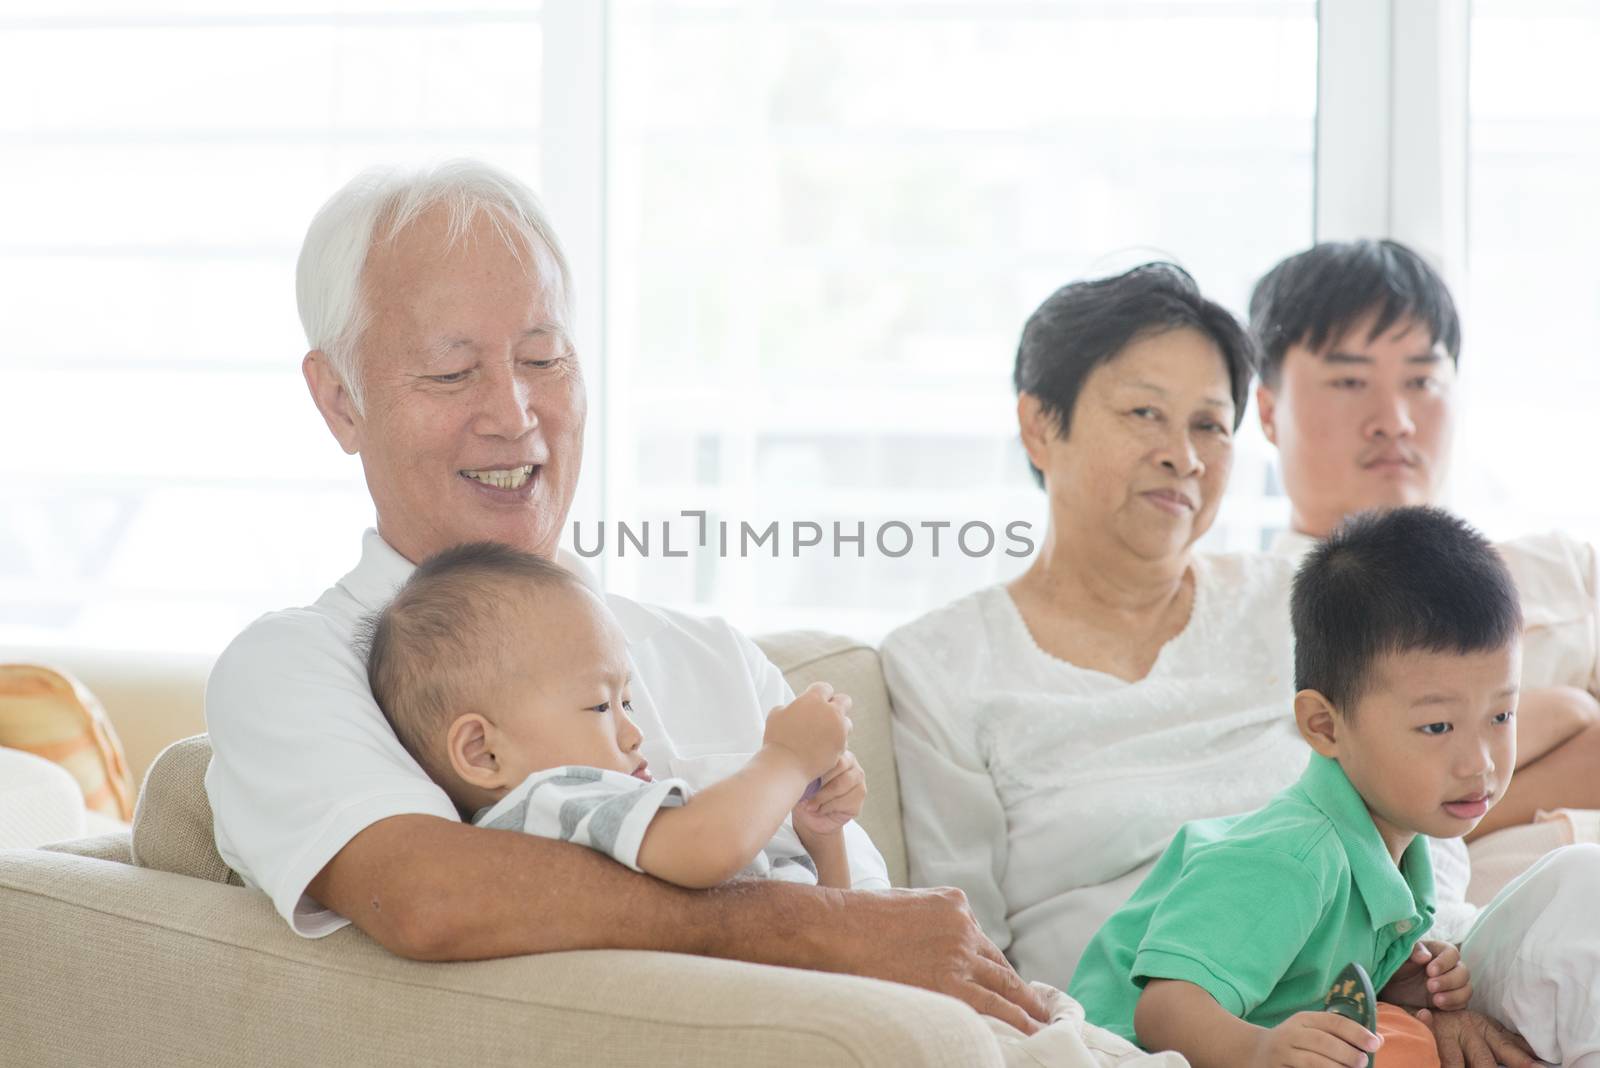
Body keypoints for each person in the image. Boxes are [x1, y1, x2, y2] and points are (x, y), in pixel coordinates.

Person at [202, 158, 1052, 1035]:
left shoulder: (716, 656)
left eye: (544, 357)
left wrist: (844, 921)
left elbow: (888, 935)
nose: (515, 413)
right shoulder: (298, 667)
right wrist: (802, 929)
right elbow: (430, 896)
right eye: (452, 374)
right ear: (340, 400)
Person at [883, 262, 1598, 1066]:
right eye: (1144, 413)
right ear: (1040, 425)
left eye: (1209, 425)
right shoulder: (942, 664)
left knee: (1586, 891)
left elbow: (1426, 804)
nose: (1182, 456)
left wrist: (1430, 989)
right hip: (1149, 1030)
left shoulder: (1300, 597)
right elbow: (956, 935)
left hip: (1391, 980)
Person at [1070, 506, 1516, 1065]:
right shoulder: (1294, 858)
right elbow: (1163, 1010)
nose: (1479, 764)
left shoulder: (1402, 847)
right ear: (1325, 726)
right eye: (1436, 726)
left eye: (1502, 716)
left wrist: (1396, 977)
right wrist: (1261, 1051)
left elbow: (1305, 972)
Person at [1250, 238, 1600, 838]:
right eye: (1349, 383)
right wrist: (1567, 714)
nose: (1395, 420)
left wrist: (1419, 802)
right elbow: (1299, 819)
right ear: (1266, 411)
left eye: (1421, 380)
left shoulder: (1561, 568)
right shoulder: (1246, 608)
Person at [362, 541, 875, 891]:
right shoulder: (548, 803)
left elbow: (835, 916)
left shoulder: (620, 811)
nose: (634, 734)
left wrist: (820, 836)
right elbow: (707, 847)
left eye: (626, 702)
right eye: (599, 707)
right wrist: (786, 758)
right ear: (484, 751)